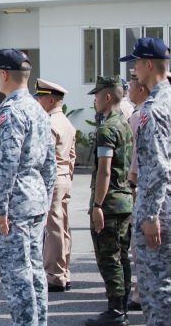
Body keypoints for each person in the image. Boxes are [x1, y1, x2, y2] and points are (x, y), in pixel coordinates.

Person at [0, 49, 57, 326]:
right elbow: (50, 163)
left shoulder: (12, 111)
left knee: (18, 276)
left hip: (16, 204)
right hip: (35, 198)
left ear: (3, 75)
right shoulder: (38, 108)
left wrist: (0, 207)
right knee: (35, 271)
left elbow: (7, 163)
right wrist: (46, 200)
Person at [120, 37, 171, 326]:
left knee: (156, 288)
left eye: (136, 64)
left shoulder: (153, 110)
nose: (134, 71)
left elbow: (157, 166)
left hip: (160, 208)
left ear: (148, 64)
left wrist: (150, 214)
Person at [86, 76, 133, 326]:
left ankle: (115, 312)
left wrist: (97, 206)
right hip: (124, 201)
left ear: (106, 97)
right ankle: (121, 307)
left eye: (96, 96)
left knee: (109, 259)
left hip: (110, 204)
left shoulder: (107, 128)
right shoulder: (125, 124)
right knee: (122, 257)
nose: (94, 101)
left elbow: (104, 171)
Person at [33, 78, 77, 293]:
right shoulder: (66, 122)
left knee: (53, 229)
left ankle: (55, 275)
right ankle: (64, 272)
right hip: (64, 178)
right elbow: (72, 155)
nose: (38, 102)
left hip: (51, 179)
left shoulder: (50, 123)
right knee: (63, 226)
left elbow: (44, 156)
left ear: (50, 100)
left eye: (40, 97)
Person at [124, 70, 150, 312]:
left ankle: (141, 293)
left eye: (130, 86)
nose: (127, 90)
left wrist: (131, 182)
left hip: (143, 186)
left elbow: (135, 158)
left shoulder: (141, 116)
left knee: (141, 247)